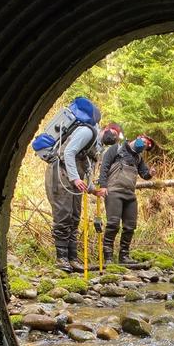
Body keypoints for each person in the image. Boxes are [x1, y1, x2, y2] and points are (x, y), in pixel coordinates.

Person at [45, 106, 121, 273]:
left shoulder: (98, 147)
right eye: (114, 134)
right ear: (107, 128)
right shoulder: (87, 132)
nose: (114, 138)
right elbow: (69, 153)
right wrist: (74, 178)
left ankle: (72, 258)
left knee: (74, 217)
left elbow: (87, 169)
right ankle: (61, 258)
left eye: (116, 138)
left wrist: (93, 189)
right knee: (63, 215)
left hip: (75, 178)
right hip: (61, 172)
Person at [98, 134, 156, 264]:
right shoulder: (116, 149)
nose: (144, 145)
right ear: (138, 137)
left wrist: (150, 174)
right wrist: (102, 186)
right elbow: (104, 167)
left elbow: (144, 174)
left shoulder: (138, 158)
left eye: (147, 146)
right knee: (113, 224)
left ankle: (124, 256)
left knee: (130, 226)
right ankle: (108, 258)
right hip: (113, 192)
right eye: (145, 141)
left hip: (130, 195)